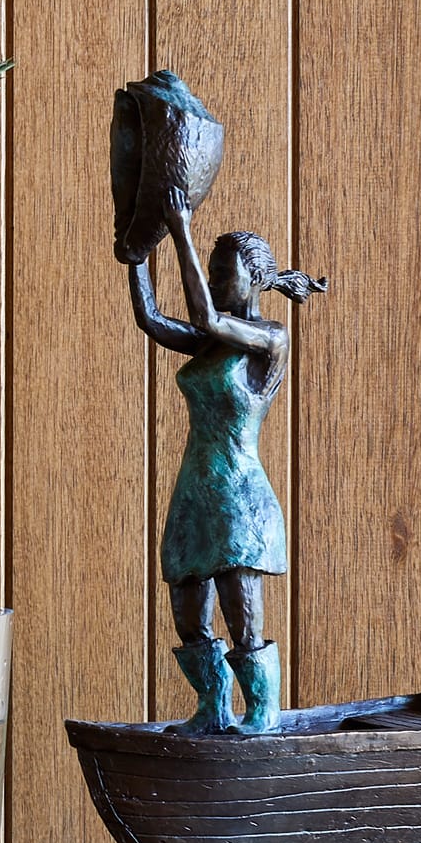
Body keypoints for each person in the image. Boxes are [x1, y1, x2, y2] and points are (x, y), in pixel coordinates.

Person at [128, 205, 325, 732]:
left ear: (256, 279)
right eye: (210, 273)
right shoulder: (210, 344)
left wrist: (180, 229)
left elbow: (207, 318)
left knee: (242, 614)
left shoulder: (270, 338)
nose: (213, 282)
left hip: (239, 497)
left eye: (221, 273)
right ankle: (211, 708)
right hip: (195, 492)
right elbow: (151, 319)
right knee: (187, 609)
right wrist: (136, 253)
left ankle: (261, 711)